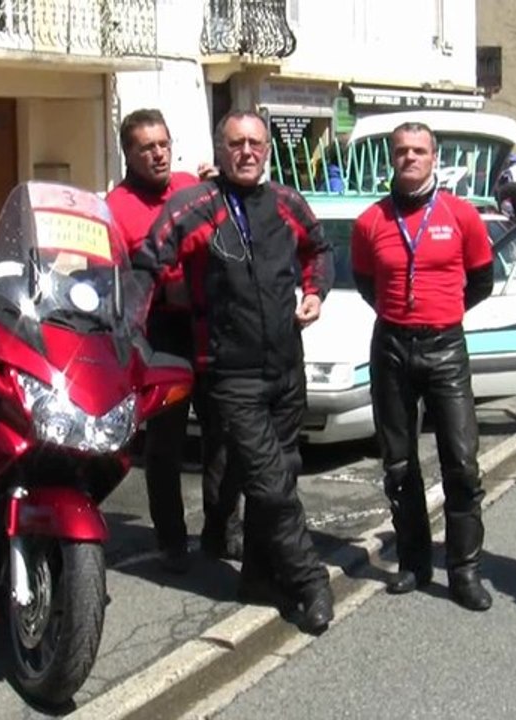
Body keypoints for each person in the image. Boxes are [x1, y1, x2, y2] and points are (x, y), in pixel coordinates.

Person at [130, 110, 335, 635]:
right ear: (219, 151)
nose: (247, 151)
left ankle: (258, 578)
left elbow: (320, 249)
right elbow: (147, 261)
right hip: (231, 374)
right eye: (236, 143)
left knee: (282, 474)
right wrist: (130, 327)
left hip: (287, 367)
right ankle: (310, 580)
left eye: (255, 143)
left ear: (267, 149)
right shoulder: (196, 206)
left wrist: (315, 292)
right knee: (268, 483)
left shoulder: (287, 202)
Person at [350, 122, 495, 611]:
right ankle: (414, 561)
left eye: (418, 151)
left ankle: (465, 570)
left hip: (445, 347)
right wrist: (405, 318)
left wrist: (439, 316)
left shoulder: (460, 215)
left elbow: (480, 282)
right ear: (391, 159)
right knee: (398, 463)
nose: (409, 158)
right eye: (400, 151)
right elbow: (367, 284)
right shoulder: (370, 221)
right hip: (391, 345)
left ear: (435, 157)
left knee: (461, 461)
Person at [104, 109, 242, 573]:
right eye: (147, 147)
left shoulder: (191, 184)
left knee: (223, 432)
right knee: (165, 442)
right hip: (160, 331)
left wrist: (219, 183)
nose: (159, 153)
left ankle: (223, 530)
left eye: (163, 143)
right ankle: (170, 539)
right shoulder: (114, 207)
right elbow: (116, 279)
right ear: (128, 154)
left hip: (209, 325)